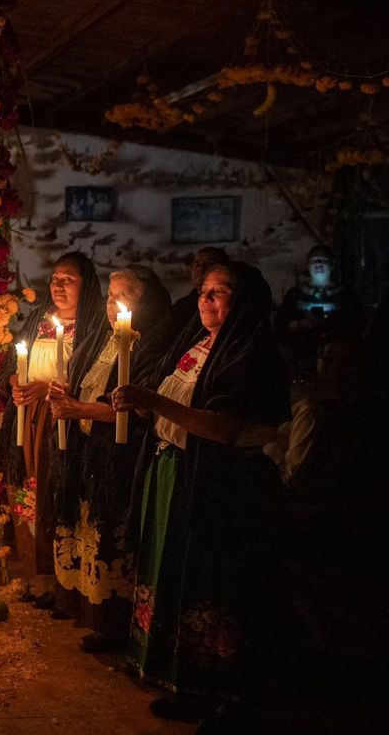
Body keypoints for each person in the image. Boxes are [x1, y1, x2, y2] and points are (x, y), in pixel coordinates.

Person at [112, 262, 290, 731]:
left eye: (220, 292)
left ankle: (226, 693)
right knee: (176, 574)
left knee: (216, 583)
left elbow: (224, 426)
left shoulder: (253, 354)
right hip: (175, 469)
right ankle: (180, 679)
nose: (206, 300)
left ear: (245, 300)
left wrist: (152, 402)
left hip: (225, 485)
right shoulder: (196, 345)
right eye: (203, 291)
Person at [48, 266, 173, 651]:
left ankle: (115, 623)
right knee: (86, 532)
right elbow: (87, 382)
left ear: (146, 301)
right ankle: (83, 606)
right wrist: (66, 393)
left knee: (112, 537)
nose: (113, 302)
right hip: (89, 451)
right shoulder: (101, 338)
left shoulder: (154, 345)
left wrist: (79, 410)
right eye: (110, 293)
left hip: (121, 457)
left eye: (126, 293)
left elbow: (133, 407)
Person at [0, 252, 107, 605]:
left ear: (85, 285)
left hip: (62, 422)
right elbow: (14, 365)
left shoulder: (94, 328)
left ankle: (59, 582)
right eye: (55, 278)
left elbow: (90, 379)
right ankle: (34, 575)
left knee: (53, 490)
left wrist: (47, 390)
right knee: (28, 491)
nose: (59, 286)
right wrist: (17, 382)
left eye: (69, 279)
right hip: (28, 420)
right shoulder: (37, 320)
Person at [275, 244, 363, 384]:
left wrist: (332, 325)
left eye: (323, 260)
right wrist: (300, 324)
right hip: (300, 348)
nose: (319, 264)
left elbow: (358, 324)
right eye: (315, 260)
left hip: (337, 353)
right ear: (308, 265)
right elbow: (280, 324)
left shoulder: (347, 295)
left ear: (332, 264)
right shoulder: (295, 294)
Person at [168, 247, 228, 338]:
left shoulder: (225, 308)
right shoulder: (182, 306)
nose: (201, 268)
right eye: (197, 264)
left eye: (210, 264)